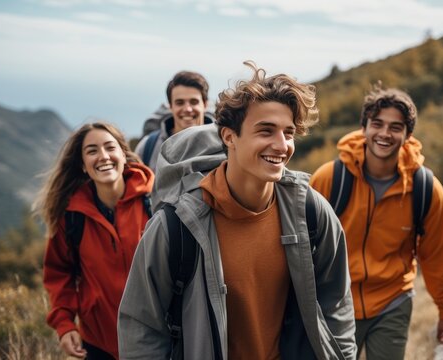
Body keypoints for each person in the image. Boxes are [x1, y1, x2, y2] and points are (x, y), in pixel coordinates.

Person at [118, 61, 357, 359]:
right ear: (229, 137)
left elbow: (337, 305)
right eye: (266, 131)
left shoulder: (311, 211)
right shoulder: (174, 227)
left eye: (289, 132)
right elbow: (141, 328)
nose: (281, 145)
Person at [310, 85, 443, 359]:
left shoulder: (425, 188)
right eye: (377, 124)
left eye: (395, 127)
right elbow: (302, 245)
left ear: (408, 135)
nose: (384, 134)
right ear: (364, 128)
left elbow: (439, 256)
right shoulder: (330, 178)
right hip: (334, 304)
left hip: (393, 302)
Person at [33, 122, 154, 359]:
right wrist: (64, 323)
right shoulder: (72, 216)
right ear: (83, 165)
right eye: (92, 151)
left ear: (123, 153)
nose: (103, 156)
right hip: (99, 345)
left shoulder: (153, 202)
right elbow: (59, 273)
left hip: (154, 342)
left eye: (110, 147)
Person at [134, 70, 215, 171]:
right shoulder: (147, 147)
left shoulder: (224, 143)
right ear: (170, 107)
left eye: (194, 102)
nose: (187, 109)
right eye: (180, 103)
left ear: (205, 105)